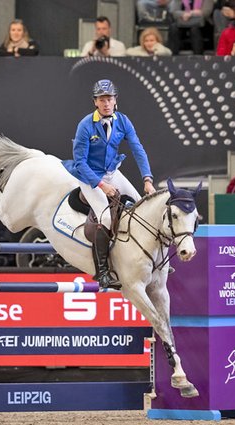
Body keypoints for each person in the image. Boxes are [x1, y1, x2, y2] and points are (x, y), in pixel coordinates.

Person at [62, 80, 155, 289]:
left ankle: (147, 259)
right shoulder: (86, 125)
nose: (106, 103)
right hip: (89, 176)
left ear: (115, 100)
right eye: (102, 99)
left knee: (141, 205)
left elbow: (138, 150)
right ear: (95, 102)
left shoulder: (123, 121)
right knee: (104, 217)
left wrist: (147, 180)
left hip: (113, 172)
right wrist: (101, 186)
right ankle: (102, 271)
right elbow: (80, 163)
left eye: (110, 99)